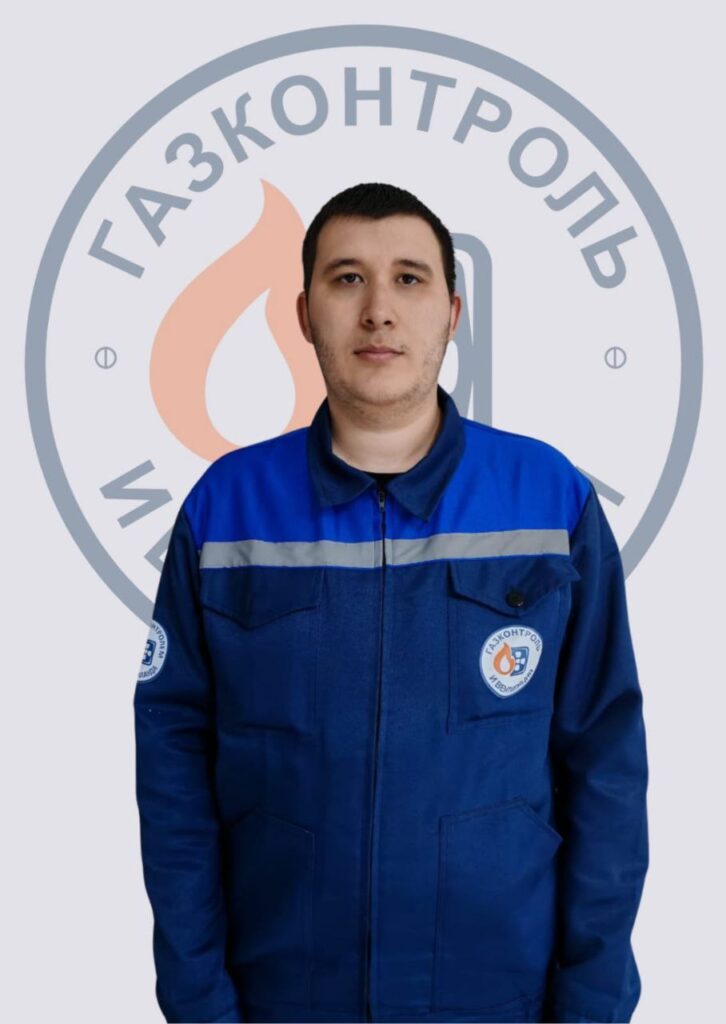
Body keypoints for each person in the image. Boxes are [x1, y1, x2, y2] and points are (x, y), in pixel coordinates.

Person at [133, 182, 649, 1024]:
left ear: (452, 312)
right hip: (279, 1000)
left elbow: (606, 766)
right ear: (304, 315)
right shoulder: (226, 511)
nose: (379, 310)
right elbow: (173, 775)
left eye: (409, 278)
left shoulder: (548, 501)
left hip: (497, 1000)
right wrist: (199, 1003)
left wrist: (592, 1005)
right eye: (347, 279)